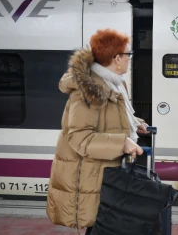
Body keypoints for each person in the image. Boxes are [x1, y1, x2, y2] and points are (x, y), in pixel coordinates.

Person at [46, 29, 149, 234]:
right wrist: (122, 142)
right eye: (128, 55)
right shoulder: (89, 90)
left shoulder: (115, 83)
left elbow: (109, 114)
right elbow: (79, 136)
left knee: (104, 227)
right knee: (101, 227)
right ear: (116, 58)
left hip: (104, 172)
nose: (130, 59)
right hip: (91, 176)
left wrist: (133, 122)